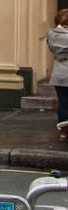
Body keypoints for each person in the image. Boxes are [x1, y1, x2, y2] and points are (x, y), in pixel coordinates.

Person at [46, 8, 68, 139]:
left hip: (58, 73)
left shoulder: (50, 34)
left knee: (63, 101)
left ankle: (63, 132)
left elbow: (51, 49)